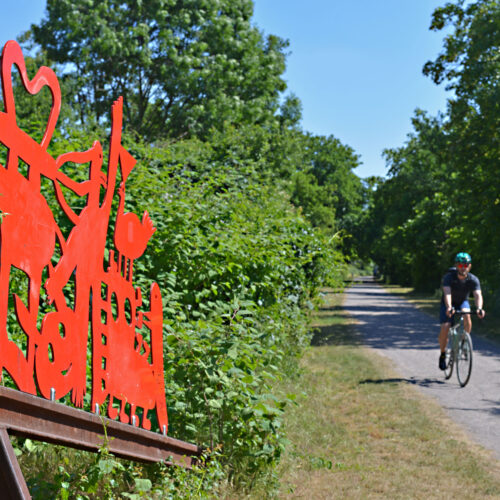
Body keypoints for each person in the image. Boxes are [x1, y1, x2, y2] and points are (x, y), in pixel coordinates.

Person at [438, 252, 485, 370]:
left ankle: (464, 342)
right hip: (448, 303)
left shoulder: (473, 279)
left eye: (465, 265)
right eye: (460, 265)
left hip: (462, 302)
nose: (463, 268)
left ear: (469, 266)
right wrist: (449, 307)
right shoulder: (449, 277)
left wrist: (479, 308)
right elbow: (447, 293)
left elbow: (478, 295)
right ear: (456, 265)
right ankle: (443, 354)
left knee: (467, 315)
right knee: (446, 326)